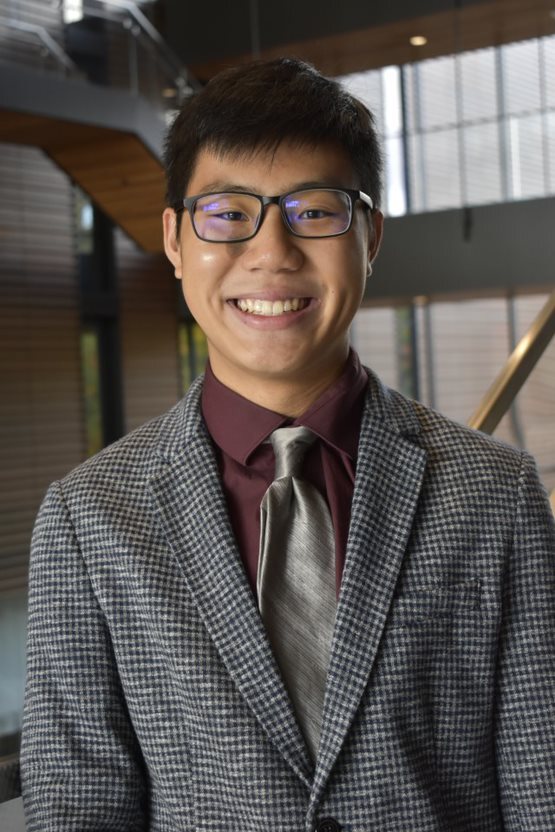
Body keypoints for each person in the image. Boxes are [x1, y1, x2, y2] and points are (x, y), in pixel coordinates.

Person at [21, 58, 554, 832]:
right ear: (173, 238)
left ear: (370, 234)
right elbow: (80, 805)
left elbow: (542, 782)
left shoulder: (494, 489)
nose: (271, 252)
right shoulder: (88, 516)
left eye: (314, 210)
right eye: (228, 213)